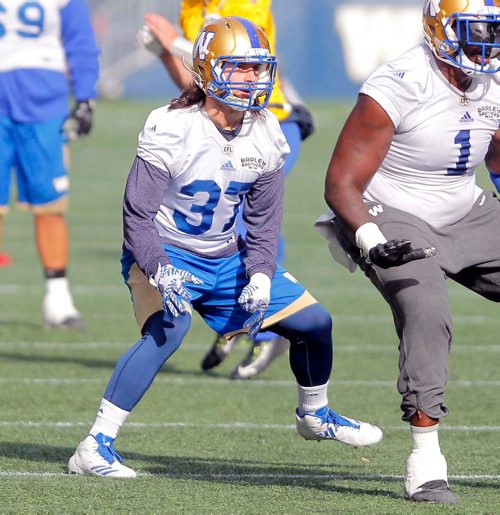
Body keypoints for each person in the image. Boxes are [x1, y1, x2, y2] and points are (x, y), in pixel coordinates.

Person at [67, 17, 382, 477]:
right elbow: (137, 215)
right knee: (167, 330)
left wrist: (258, 273)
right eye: (241, 69)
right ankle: (94, 446)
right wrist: (158, 267)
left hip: (224, 253)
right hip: (164, 248)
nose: (254, 80)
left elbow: (263, 222)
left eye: (259, 69)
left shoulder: (267, 132)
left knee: (315, 323)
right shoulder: (172, 126)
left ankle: (314, 414)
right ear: (208, 71)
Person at [317, 0, 499, 505]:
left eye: (493, 31)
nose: (487, 43)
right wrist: (370, 240)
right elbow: (340, 183)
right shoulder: (400, 83)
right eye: (476, 31)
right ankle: (425, 456)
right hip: (389, 210)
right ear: (441, 29)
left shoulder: (492, 79)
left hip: (465, 206)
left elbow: (497, 149)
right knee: (426, 308)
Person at [138, 0, 315, 380]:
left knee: (244, 223)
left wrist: (173, 44)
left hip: (269, 122)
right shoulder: (192, 7)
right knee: (217, 222)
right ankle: (242, 322)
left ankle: (265, 323)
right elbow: (202, 84)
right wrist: (166, 54)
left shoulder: (242, 5)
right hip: (227, 117)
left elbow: (240, 66)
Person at [0, 0, 100, 327]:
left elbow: (80, 40)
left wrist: (85, 97)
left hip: (43, 104)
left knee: (50, 203)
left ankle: (58, 298)